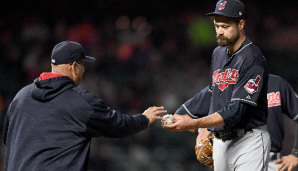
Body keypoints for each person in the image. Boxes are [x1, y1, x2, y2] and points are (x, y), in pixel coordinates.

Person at [2, 40, 167, 171]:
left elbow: (7, 138)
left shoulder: (21, 97)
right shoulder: (80, 102)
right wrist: (144, 119)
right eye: (83, 65)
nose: (84, 71)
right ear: (74, 67)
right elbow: (120, 126)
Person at [162, 0, 270, 170]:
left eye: (225, 26)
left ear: (241, 24)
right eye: (217, 26)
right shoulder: (218, 53)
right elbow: (215, 92)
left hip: (249, 141)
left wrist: (196, 124)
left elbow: (236, 111)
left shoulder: (252, 58)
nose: (219, 31)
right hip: (220, 141)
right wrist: (185, 114)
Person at [179, 74, 298, 171]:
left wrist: (296, 154)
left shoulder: (275, 84)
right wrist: (204, 128)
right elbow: (180, 116)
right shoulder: (220, 88)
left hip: (269, 162)